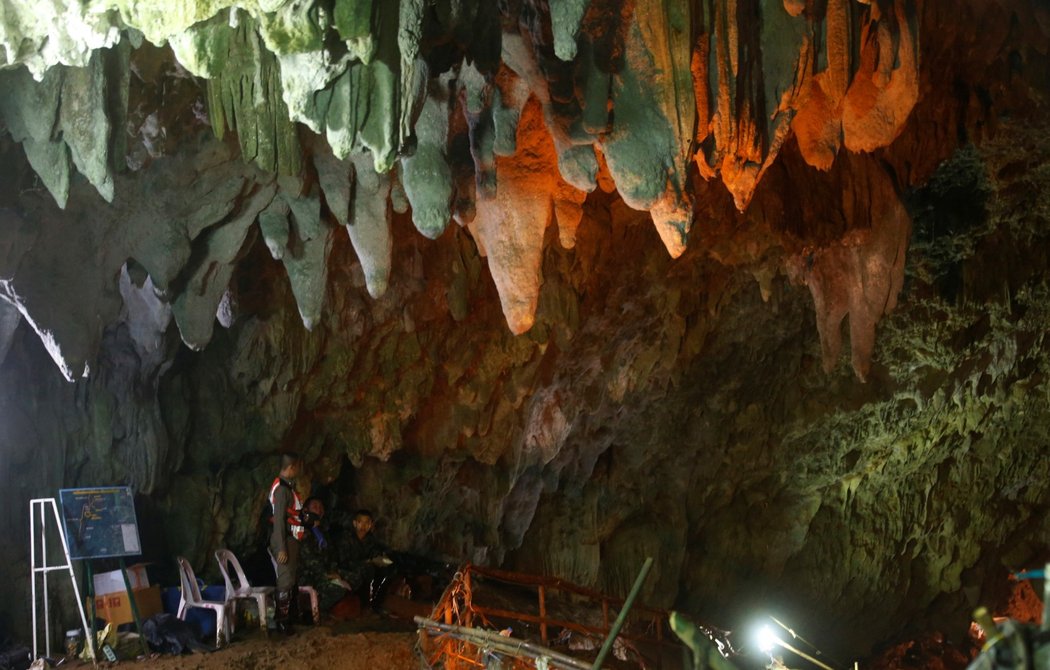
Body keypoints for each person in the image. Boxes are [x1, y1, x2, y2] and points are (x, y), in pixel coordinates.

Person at [297, 497, 355, 615]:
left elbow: (331, 555)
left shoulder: (323, 532)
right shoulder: (303, 532)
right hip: (309, 575)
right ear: (306, 511)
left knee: (354, 577)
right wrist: (327, 575)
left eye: (320, 507)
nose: (318, 510)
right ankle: (313, 612)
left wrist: (335, 572)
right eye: (315, 507)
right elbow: (309, 560)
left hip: (325, 571)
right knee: (338, 589)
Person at [268, 452, 304, 634]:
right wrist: (282, 547)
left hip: (291, 538)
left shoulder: (287, 487)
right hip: (285, 538)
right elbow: (279, 519)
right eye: (297, 466)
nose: (298, 470)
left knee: (291, 578)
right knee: (285, 580)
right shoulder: (282, 490)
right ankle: (281, 622)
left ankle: (288, 619)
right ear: (291, 468)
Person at [336, 509, 393, 610]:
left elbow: (375, 552)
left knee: (387, 570)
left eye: (367, 522)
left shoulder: (370, 540)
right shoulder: (346, 538)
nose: (364, 526)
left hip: (365, 566)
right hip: (347, 567)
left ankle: (376, 602)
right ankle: (363, 603)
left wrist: (381, 559)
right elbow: (343, 560)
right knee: (367, 569)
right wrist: (366, 562)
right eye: (360, 522)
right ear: (355, 523)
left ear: (371, 525)